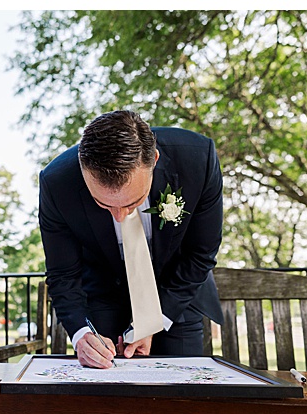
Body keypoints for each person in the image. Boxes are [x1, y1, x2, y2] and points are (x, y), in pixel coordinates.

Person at [38, 109, 225, 368]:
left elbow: (200, 254)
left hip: (177, 294)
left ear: (154, 160)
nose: (119, 216)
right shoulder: (56, 182)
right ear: (83, 170)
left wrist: (155, 319)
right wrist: (81, 334)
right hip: (103, 293)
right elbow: (63, 274)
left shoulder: (197, 158)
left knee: (181, 388)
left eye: (133, 203)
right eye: (103, 204)